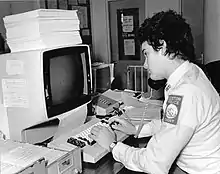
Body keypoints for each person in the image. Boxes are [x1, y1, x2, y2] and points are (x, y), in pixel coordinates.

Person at [89, 10, 220, 174]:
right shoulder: (192, 73)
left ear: (163, 46)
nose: (145, 65)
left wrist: (113, 146)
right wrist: (138, 130)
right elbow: (174, 125)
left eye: (146, 54)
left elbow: (154, 164)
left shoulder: (185, 93)